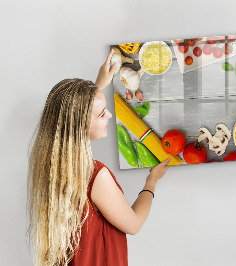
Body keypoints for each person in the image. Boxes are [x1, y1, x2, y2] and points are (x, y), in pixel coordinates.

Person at [27, 49, 171, 266]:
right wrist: (152, 180)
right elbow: (134, 224)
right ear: (81, 124)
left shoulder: (49, 163)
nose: (110, 115)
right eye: (102, 113)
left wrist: (97, 86)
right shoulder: (95, 176)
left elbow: (73, 112)